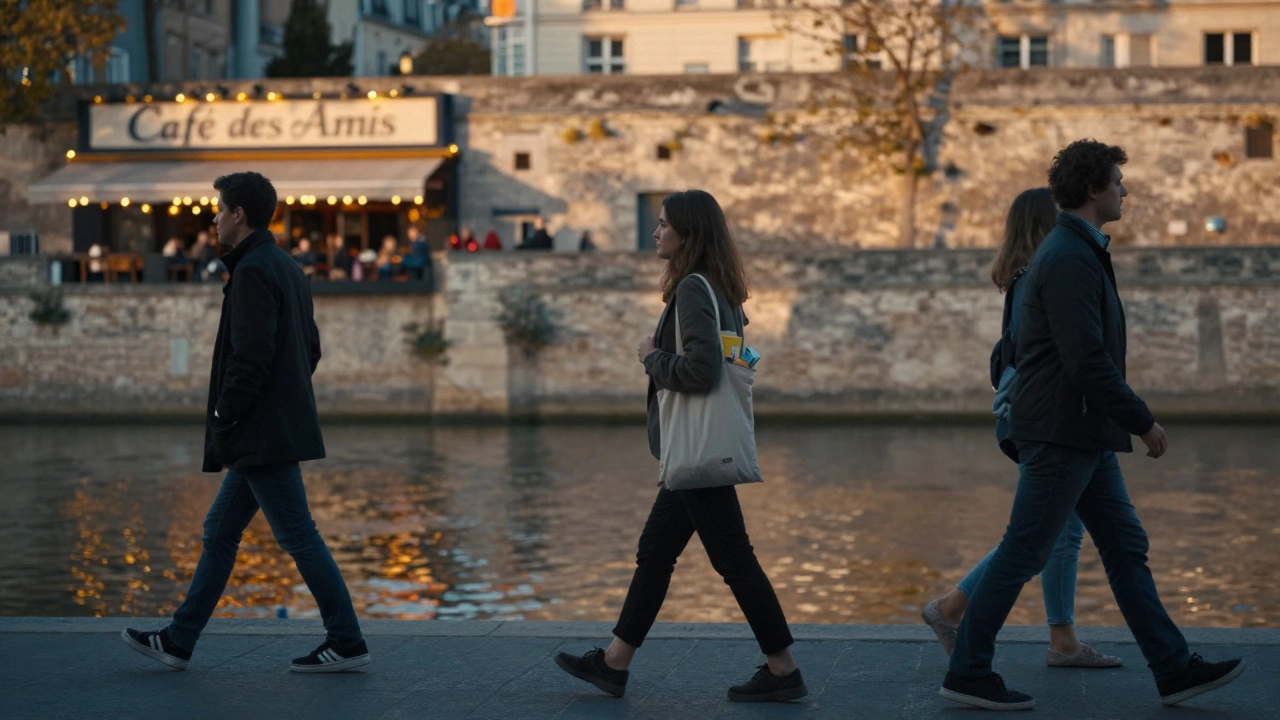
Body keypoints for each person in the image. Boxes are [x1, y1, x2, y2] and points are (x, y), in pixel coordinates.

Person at [940, 141, 1244, 711]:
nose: (1125, 190)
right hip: (1063, 430)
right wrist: (1143, 420)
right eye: (1118, 181)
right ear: (1094, 190)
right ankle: (968, 671)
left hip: (1083, 431)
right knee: (1024, 552)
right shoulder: (1071, 257)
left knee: (1126, 546)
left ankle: (1174, 668)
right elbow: (1085, 361)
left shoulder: (1078, 250)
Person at [554, 190, 807, 703]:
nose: (656, 231)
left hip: (695, 446)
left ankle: (783, 670)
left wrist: (650, 356)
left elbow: (699, 369)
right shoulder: (724, 289)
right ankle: (614, 663)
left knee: (733, 560)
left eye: (665, 224)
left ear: (688, 233)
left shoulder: (694, 289)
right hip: (696, 448)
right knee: (657, 552)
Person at [120, 171, 370, 674]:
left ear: (238, 214)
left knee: (298, 535)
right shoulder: (286, 267)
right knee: (219, 530)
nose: (212, 218)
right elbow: (310, 349)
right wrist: (279, 396)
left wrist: (226, 412)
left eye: (218, 209)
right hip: (270, 427)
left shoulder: (254, 270)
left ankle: (346, 638)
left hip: (258, 432)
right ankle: (179, 639)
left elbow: (250, 355)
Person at [922, 188, 1123, 670]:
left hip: (1042, 419)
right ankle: (958, 609)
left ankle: (1059, 636)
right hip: (1052, 420)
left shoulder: (1026, 277)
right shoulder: (1041, 276)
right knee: (1041, 533)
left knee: (1056, 531)